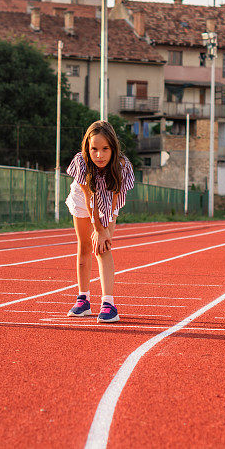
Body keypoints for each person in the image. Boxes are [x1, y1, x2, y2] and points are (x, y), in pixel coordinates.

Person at [64, 120, 135, 323]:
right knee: (85, 246)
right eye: (94, 149)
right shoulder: (82, 162)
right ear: (88, 148)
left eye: (105, 149)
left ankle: (108, 303)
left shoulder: (122, 166)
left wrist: (104, 230)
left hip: (109, 200)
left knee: (103, 247)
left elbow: (113, 200)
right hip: (83, 198)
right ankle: (83, 300)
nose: (99, 155)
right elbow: (89, 198)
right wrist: (96, 226)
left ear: (113, 148)